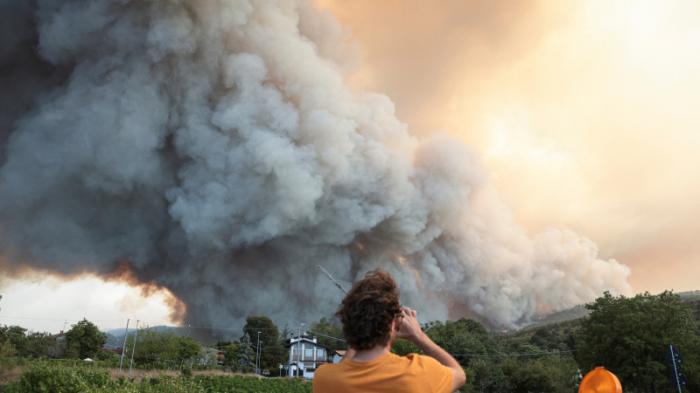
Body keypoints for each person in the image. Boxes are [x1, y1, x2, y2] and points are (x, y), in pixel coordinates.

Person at [313, 269, 467, 393]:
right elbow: (459, 374)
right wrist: (418, 335)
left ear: (348, 323)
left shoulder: (324, 379)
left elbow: (344, 367)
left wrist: (360, 324)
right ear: (393, 323)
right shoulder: (417, 374)